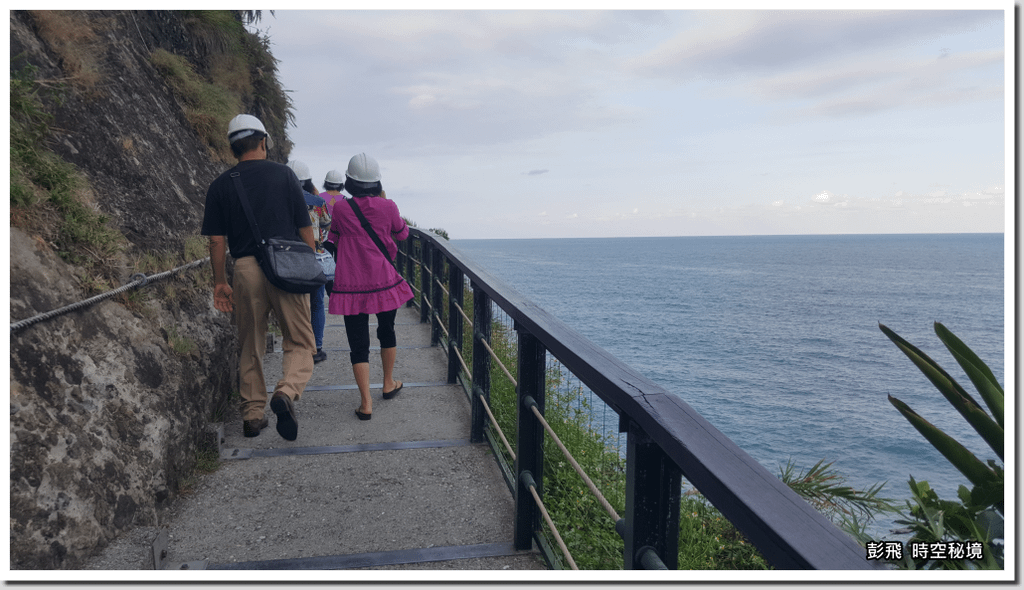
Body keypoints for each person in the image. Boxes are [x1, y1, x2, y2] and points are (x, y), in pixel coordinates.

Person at [201, 114, 315, 441]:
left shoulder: (221, 184)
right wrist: (309, 264)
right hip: (287, 264)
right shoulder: (284, 175)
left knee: (249, 342)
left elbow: (216, 240)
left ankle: (252, 415)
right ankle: (286, 391)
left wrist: (220, 281)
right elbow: (304, 226)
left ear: (233, 147)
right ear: (264, 141)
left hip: (246, 269)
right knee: (300, 339)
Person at [326, 153, 413, 420]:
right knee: (387, 331)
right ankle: (388, 383)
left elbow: (334, 239)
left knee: (358, 343)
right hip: (384, 281)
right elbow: (402, 234)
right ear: (377, 181)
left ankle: (366, 403)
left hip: (351, 284)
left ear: (350, 181)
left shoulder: (341, 209)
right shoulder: (388, 206)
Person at [288, 159, 331, 363]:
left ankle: (299, 347)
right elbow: (327, 224)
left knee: (295, 304)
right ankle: (317, 347)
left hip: (290, 257)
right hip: (315, 258)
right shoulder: (317, 202)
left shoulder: (281, 201)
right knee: (317, 303)